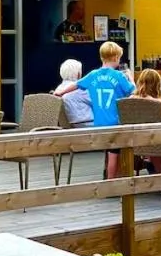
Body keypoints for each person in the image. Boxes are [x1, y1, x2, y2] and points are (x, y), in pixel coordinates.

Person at [54, 41, 135, 179]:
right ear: (116, 57)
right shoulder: (119, 76)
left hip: (99, 122)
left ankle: (110, 177)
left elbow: (77, 85)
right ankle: (111, 181)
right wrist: (131, 78)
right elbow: (133, 91)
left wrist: (61, 92)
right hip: (115, 122)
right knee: (114, 153)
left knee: (110, 151)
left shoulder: (93, 75)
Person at [53, 59, 94, 127]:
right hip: (88, 125)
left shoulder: (58, 89)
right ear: (78, 74)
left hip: (70, 125)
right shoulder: (80, 89)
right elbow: (99, 103)